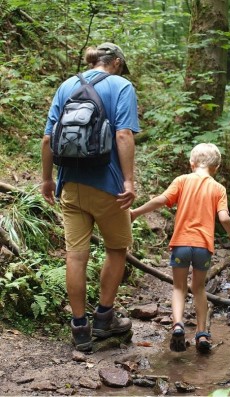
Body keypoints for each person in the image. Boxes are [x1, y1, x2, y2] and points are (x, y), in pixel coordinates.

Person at [41, 43, 139, 351]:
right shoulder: (121, 86)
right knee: (117, 248)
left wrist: (47, 179)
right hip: (108, 188)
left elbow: (47, 139)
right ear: (117, 63)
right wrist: (128, 180)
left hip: (70, 186)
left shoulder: (67, 85)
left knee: (75, 256)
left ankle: (80, 329)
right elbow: (123, 134)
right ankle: (104, 318)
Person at [130, 143, 230, 353]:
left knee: (178, 287)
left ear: (191, 163)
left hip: (181, 244)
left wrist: (135, 213)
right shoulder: (218, 188)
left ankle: (177, 324)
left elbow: (160, 200)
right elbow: (223, 217)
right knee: (199, 288)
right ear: (216, 167)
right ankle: (202, 335)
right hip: (203, 247)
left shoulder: (182, 180)